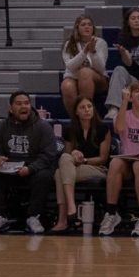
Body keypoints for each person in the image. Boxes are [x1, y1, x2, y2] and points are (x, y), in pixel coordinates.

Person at [0, 91, 60, 235]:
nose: (23, 106)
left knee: (45, 174)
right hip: (9, 169)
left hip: (32, 169)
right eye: (19, 104)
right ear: (10, 108)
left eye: (26, 103)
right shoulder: (0, 127)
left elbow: (49, 155)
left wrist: (30, 169)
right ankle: (0, 216)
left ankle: (33, 216)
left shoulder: (43, 127)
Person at [100, 81, 139, 236]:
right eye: (137, 91)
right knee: (115, 162)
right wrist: (123, 102)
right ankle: (111, 213)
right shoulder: (124, 115)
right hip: (129, 162)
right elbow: (120, 128)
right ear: (130, 97)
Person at [51, 96, 110, 232]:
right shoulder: (70, 130)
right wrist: (74, 154)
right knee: (61, 168)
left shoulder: (103, 129)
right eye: (82, 107)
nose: (87, 110)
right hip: (74, 169)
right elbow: (66, 157)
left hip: (98, 169)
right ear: (76, 112)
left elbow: (103, 158)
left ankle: (63, 218)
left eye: (89, 106)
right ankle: (70, 209)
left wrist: (83, 160)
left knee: (60, 173)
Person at [106, 7, 139, 119]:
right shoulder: (123, 38)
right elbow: (129, 62)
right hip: (131, 78)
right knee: (118, 69)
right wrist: (123, 52)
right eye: (133, 18)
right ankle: (113, 109)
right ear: (128, 22)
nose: (136, 20)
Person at [60, 15, 109, 117]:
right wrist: (84, 51)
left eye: (89, 25)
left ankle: (89, 117)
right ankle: (77, 119)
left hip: (98, 79)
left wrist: (93, 52)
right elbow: (70, 67)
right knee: (66, 85)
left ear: (93, 28)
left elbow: (101, 68)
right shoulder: (69, 44)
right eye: (83, 25)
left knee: (85, 72)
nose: (87, 27)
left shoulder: (101, 43)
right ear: (77, 28)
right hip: (74, 77)